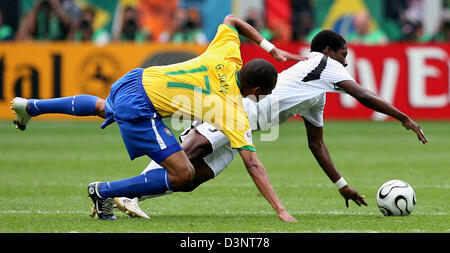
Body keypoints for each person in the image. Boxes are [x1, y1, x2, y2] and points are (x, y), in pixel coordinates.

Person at [10, 14, 302, 222]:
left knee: (102, 106)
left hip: (135, 80)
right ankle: (103, 192)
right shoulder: (232, 110)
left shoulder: (228, 54)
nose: (262, 98)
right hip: (141, 108)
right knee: (184, 174)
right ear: (255, 89)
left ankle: (31, 107)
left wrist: (269, 47)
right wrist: (279, 209)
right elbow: (252, 162)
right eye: (265, 94)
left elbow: (232, 20)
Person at [113, 29, 428, 219]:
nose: (346, 63)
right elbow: (362, 93)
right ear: (330, 52)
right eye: (344, 56)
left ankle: (130, 196)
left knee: (194, 177)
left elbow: (316, 144)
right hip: (236, 110)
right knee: (190, 149)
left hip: (249, 129)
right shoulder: (322, 63)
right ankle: (127, 194)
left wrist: (341, 185)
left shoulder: (316, 94)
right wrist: (403, 117)